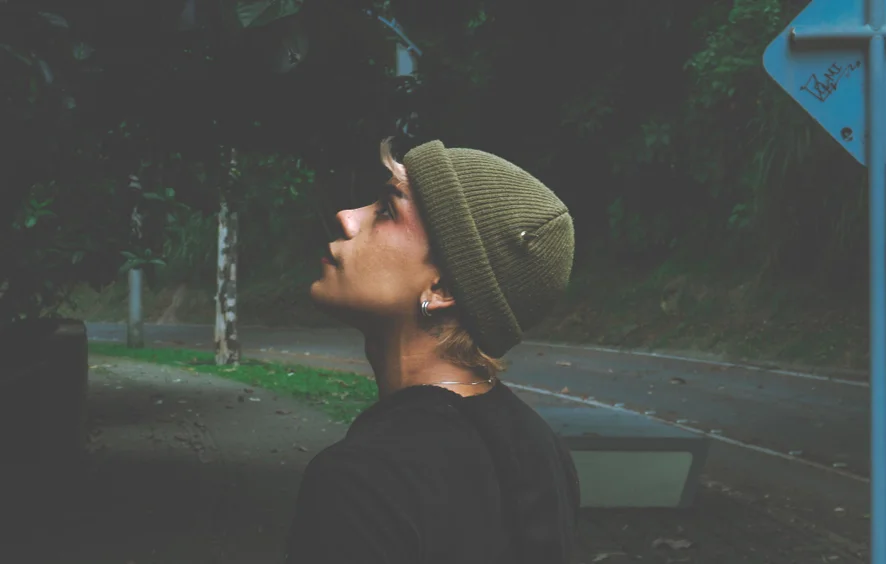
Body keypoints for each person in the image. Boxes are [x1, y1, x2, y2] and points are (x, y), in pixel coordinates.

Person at [284, 138, 580, 564]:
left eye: (387, 211)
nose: (346, 217)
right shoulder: (544, 451)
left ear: (441, 288)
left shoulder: (362, 481)